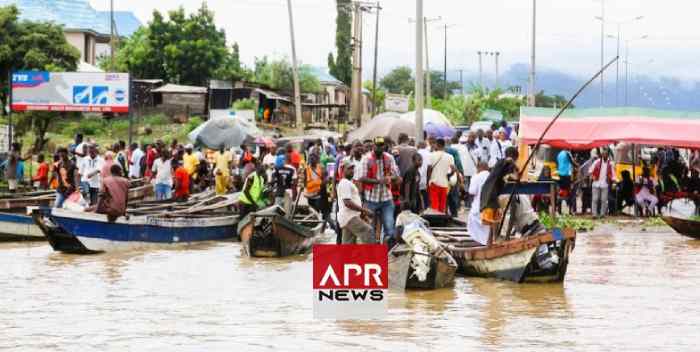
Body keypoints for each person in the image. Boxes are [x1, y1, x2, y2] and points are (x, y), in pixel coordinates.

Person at [358, 137, 399, 243]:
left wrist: (390, 178)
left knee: (389, 228)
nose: (379, 148)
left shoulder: (389, 158)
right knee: (369, 229)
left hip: (386, 198)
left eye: (381, 145)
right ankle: (372, 253)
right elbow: (361, 177)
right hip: (370, 199)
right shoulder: (366, 158)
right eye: (377, 145)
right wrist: (379, 181)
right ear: (373, 146)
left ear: (384, 146)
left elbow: (396, 175)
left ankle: (387, 253)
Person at [337, 163, 375, 244]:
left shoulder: (347, 183)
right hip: (350, 217)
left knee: (348, 244)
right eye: (349, 169)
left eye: (352, 169)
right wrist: (364, 210)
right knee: (368, 231)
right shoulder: (345, 183)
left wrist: (361, 213)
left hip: (347, 218)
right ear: (343, 170)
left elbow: (352, 201)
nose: (352, 171)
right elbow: (347, 203)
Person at [427, 138, 456, 213]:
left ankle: (435, 222)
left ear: (437, 145)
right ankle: (441, 221)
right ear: (444, 145)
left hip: (434, 183)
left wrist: (428, 181)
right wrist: (448, 175)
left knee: (434, 205)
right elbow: (453, 169)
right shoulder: (450, 156)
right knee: (442, 206)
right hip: (444, 184)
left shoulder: (431, 155)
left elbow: (429, 169)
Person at [467, 162, 491, 245]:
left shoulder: (477, 177)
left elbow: (472, 191)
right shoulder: (491, 176)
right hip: (490, 207)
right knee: (487, 227)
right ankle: (486, 243)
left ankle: (478, 243)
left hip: (478, 206)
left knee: (474, 225)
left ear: (479, 168)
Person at [591, 148, 615, 219]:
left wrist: (614, 180)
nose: (605, 155)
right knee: (595, 199)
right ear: (602, 155)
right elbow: (590, 170)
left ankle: (602, 214)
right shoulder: (597, 162)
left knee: (603, 200)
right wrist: (592, 175)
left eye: (606, 154)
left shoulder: (610, 164)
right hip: (596, 183)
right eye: (604, 154)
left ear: (608, 155)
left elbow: (613, 174)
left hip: (605, 184)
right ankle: (594, 214)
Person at [556, 149, 578, 214]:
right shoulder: (568, 153)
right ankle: (570, 211)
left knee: (560, 193)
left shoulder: (559, 154)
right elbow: (572, 162)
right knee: (569, 193)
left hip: (560, 175)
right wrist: (578, 166)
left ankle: (559, 211)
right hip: (566, 176)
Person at [417, 141, 431, 210]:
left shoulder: (417, 153)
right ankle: (426, 209)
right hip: (426, 178)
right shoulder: (429, 154)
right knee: (426, 196)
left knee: (417, 196)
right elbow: (429, 167)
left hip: (417, 178)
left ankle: (419, 210)